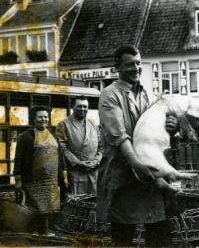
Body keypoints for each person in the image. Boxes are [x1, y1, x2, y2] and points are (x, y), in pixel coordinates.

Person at [96, 45, 179, 246]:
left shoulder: (149, 95)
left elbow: (157, 132)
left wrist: (172, 128)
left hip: (151, 178)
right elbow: (119, 135)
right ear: (117, 66)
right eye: (130, 64)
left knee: (159, 234)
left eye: (139, 63)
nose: (136, 68)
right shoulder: (109, 95)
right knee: (123, 235)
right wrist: (135, 164)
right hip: (123, 175)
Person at [14, 105, 64, 235]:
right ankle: (36, 232)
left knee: (49, 206)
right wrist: (18, 179)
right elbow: (18, 158)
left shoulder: (54, 135)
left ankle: (45, 231)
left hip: (51, 180)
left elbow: (61, 156)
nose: (44, 119)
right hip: (33, 180)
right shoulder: (26, 136)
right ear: (34, 119)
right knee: (35, 206)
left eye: (46, 116)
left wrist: (62, 175)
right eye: (40, 117)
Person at [56, 95, 102, 195]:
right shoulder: (63, 124)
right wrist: (78, 163)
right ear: (73, 107)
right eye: (79, 106)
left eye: (85, 107)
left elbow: (101, 146)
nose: (82, 109)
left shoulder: (93, 125)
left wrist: (96, 161)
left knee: (94, 203)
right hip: (76, 172)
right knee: (78, 204)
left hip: (93, 171)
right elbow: (62, 148)